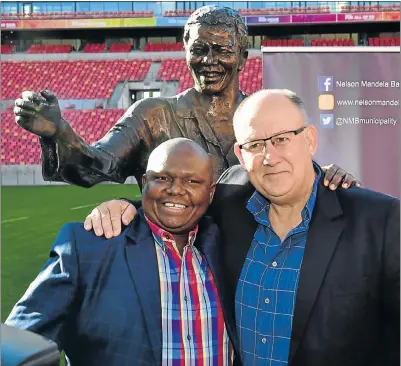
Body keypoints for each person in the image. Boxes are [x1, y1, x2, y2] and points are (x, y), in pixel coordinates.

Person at [84, 89, 400, 366]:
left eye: (281, 139)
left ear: (310, 140)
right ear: (239, 154)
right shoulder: (231, 196)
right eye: (255, 145)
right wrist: (127, 207)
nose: (269, 157)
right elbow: (177, 205)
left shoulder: (379, 219)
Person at [14, 5, 352, 190]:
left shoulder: (262, 119)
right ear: (185, 53)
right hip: (172, 272)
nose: (209, 61)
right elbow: (97, 166)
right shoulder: (152, 115)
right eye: (199, 49)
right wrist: (59, 132)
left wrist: (329, 177)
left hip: (247, 274)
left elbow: (293, 180)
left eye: (222, 50)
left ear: (243, 57)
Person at [6, 138, 240, 366]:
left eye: (192, 182)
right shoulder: (87, 247)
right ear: (144, 182)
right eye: (162, 178)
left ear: (210, 193)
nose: (175, 190)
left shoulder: (227, 242)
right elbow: (19, 343)